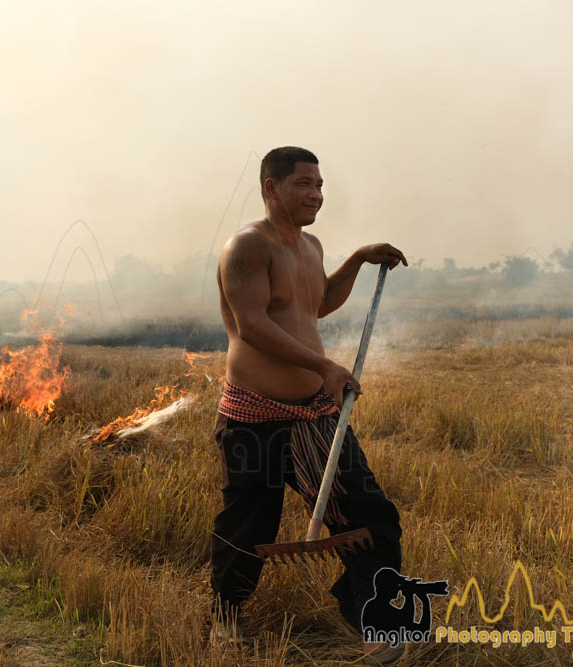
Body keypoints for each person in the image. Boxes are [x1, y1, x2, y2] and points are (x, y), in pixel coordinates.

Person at [209, 146, 407, 663]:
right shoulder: (247, 247)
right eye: (303, 183)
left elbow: (315, 302)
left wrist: (359, 259)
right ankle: (226, 619)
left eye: (320, 184)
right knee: (249, 525)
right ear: (271, 187)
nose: (316, 194)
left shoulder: (311, 245)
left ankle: (376, 622)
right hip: (255, 416)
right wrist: (324, 367)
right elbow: (253, 325)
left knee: (369, 512)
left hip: (315, 416)